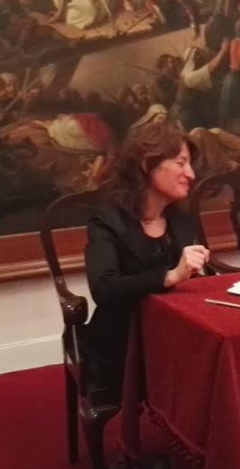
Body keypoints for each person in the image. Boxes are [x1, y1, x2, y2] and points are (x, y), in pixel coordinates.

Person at [83, 121, 210, 403]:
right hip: (122, 342)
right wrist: (169, 276)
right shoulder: (107, 219)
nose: (190, 174)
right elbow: (103, 288)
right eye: (180, 163)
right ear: (146, 165)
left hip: (175, 336)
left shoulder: (180, 217)